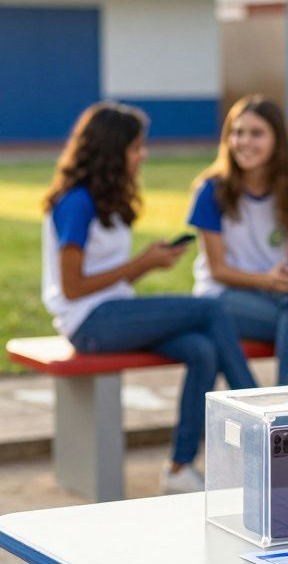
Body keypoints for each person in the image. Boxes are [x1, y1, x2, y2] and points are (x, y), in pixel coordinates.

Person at [41, 103, 257, 494]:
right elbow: (72, 288)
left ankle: (178, 467)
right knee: (212, 309)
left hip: (111, 312)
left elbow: (107, 276)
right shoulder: (76, 203)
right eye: (136, 147)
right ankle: (261, 421)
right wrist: (140, 262)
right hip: (89, 323)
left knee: (202, 350)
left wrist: (150, 263)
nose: (143, 155)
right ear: (112, 151)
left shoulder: (104, 201)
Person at [188, 95, 288, 386]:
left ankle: (285, 403)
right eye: (237, 132)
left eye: (256, 133)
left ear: (278, 140)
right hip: (222, 298)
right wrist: (268, 280)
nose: (244, 142)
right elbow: (218, 271)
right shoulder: (210, 191)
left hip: (275, 296)